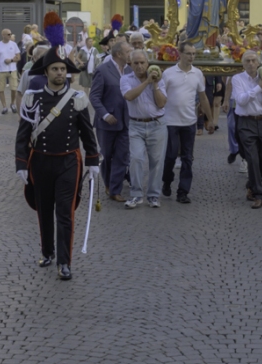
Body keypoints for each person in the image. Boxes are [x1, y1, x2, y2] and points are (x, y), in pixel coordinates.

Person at [15, 55, 101, 280]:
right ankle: (47, 252)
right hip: (40, 162)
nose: (60, 73)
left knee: (65, 213)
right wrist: (21, 164)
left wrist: (92, 160)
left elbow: (87, 133)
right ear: (46, 72)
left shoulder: (77, 99)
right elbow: (23, 133)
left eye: (63, 69)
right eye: (55, 69)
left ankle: (64, 262)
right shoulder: (32, 98)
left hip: (68, 162)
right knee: (44, 210)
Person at [159, 44, 209, 204]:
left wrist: (210, 119)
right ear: (180, 54)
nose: (191, 57)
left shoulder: (198, 73)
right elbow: (160, 95)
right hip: (170, 121)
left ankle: (183, 191)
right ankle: (167, 180)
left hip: (189, 122)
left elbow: (203, 97)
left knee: (188, 158)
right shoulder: (168, 74)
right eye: (188, 53)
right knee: (170, 156)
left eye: (194, 54)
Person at [121, 49, 167, 209]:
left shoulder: (159, 79)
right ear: (130, 65)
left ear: (148, 64)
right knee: (136, 159)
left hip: (157, 124)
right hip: (136, 125)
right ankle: (136, 195)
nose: (140, 66)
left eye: (142, 63)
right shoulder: (125, 79)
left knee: (157, 161)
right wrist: (147, 82)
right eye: (136, 63)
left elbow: (161, 103)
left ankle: (154, 196)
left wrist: (154, 84)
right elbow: (129, 96)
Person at [230, 51, 262, 208]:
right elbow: (241, 100)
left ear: (258, 63)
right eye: (247, 61)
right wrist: (258, 88)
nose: (250, 63)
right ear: (243, 64)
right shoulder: (237, 79)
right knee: (252, 158)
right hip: (246, 121)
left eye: (253, 60)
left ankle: (251, 183)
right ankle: (258, 194)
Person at [89, 35, 131, 202]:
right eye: (129, 51)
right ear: (119, 54)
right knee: (107, 155)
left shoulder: (129, 70)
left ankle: (115, 189)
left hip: (125, 121)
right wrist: (105, 115)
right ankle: (108, 182)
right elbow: (94, 97)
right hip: (107, 122)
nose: (131, 54)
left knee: (122, 156)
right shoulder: (103, 70)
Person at [0, 28, 21, 113]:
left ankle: (12, 103)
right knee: (0, 89)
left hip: (12, 69)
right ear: (3, 35)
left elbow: (19, 57)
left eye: (10, 34)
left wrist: (11, 60)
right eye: (8, 34)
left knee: (14, 88)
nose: (10, 35)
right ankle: (4, 106)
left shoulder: (14, 44)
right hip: (1, 70)